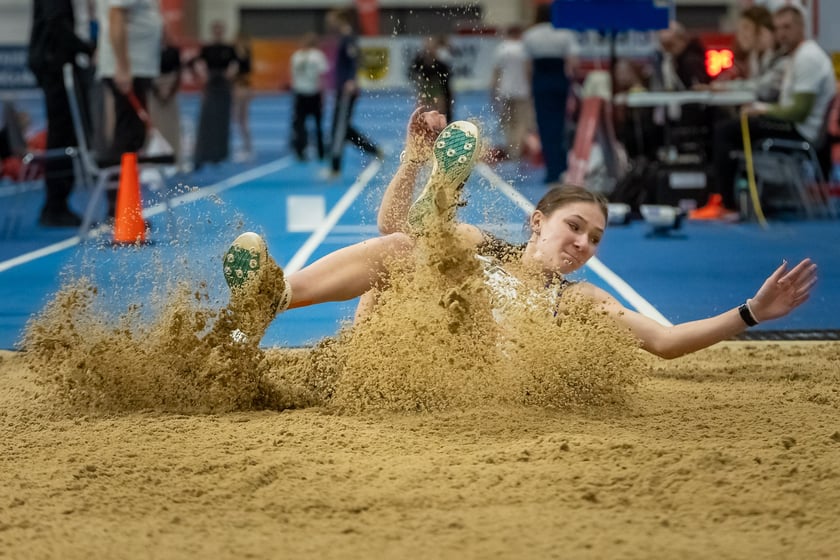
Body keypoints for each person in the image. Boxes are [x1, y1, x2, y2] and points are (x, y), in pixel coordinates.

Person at [218, 109, 817, 360]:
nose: (583, 244)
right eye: (575, 227)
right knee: (407, 249)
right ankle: (270, 296)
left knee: (443, 268)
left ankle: (443, 199)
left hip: (465, 371)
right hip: (386, 357)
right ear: (538, 222)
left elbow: (663, 340)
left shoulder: (575, 300)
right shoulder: (485, 245)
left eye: (595, 240)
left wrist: (752, 312)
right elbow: (388, 229)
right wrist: (411, 156)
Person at [691, 5, 836, 220]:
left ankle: (727, 205)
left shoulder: (808, 58)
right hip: (793, 126)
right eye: (778, 29)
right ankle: (729, 198)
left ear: (801, 27)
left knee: (726, 131)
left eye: (787, 27)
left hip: (800, 131)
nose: (782, 34)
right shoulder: (797, 56)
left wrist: (762, 110)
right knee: (731, 126)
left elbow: (798, 112)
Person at [27, 0, 96, 227]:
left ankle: (57, 203)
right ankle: (55, 205)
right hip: (57, 68)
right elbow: (56, 24)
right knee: (62, 135)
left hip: (56, 64)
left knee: (65, 135)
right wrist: (86, 48)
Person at [96, 0, 162, 218]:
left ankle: (125, 209)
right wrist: (123, 66)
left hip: (136, 68)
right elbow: (116, 17)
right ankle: (119, 210)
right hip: (129, 70)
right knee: (127, 137)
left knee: (133, 138)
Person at [522, 3, 580, 184]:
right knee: (560, 125)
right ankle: (560, 167)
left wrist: (531, 87)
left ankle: (552, 170)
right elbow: (573, 62)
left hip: (541, 82)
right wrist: (572, 84)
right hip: (559, 81)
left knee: (545, 126)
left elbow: (528, 67)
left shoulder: (530, 35)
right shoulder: (565, 33)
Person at [325, 8, 381, 179]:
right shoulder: (344, 37)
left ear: (340, 20)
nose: (329, 24)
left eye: (331, 20)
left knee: (339, 128)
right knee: (345, 129)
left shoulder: (348, 37)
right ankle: (373, 149)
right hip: (342, 87)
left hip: (346, 89)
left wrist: (351, 79)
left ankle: (335, 168)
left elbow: (354, 60)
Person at [710, 6, 787, 104]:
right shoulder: (755, 58)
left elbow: (762, 87)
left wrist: (724, 87)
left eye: (746, 28)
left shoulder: (783, 58)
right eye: (739, 30)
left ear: (763, 30)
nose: (740, 35)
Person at [188, 20, 238, 170]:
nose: (218, 32)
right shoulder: (207, 49)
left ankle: (220, 155)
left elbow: (238, 64)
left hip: (224, 86)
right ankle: (203, 155)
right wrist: (201, 76)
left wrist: (231, 73)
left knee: (222, 121)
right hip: (211, 85)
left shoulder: (229, 49)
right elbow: (192, 63)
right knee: (207, 121)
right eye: (215, 29)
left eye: (220, 29)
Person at [490, 25, 533, 160]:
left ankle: (511, 147)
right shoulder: (524, 49)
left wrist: (493, 90)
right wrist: (530, 87)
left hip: (505, 90)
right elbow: (528, 70)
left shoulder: (501, 49)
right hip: (522, 90)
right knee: (521, 122)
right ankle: (517, 150)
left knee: (508, 122)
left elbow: (497, 72)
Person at [290, 32, 329, 161]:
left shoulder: (296, 56)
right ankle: (320, 152)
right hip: (313, 93)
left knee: (300, 124)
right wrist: (323, 94)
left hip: (300, 93)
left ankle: (300, 151)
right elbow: (322, 76)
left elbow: (293, 77)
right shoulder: (317, 56)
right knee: (318, 124)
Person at [148, 30, 182, 169]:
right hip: (155, 88)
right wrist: (157, 90)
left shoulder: (174, 51)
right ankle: (153, 159)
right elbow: (147, 71)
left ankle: (175, 158)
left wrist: (170, 90)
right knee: (154, 125)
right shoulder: (149, 51)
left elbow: (179, 71)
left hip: (170, 89)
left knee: (172, 126)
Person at [409, 37, 454, 123]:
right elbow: (413, 72)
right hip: (426, 87)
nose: (429, 48)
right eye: (427, 45)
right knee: (422, 110)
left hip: (439, 89)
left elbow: (446, 82)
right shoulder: (420, 61)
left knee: (439, 111)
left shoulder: (442, 62)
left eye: (432, 46)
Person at [232, 30, 254, 162]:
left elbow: (244, 74)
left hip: (241, 88)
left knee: (241, 119)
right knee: (240, 120)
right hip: (241, 87)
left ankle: (247, 147)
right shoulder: (239, 54)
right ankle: (246, 147)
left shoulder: (243, 56)